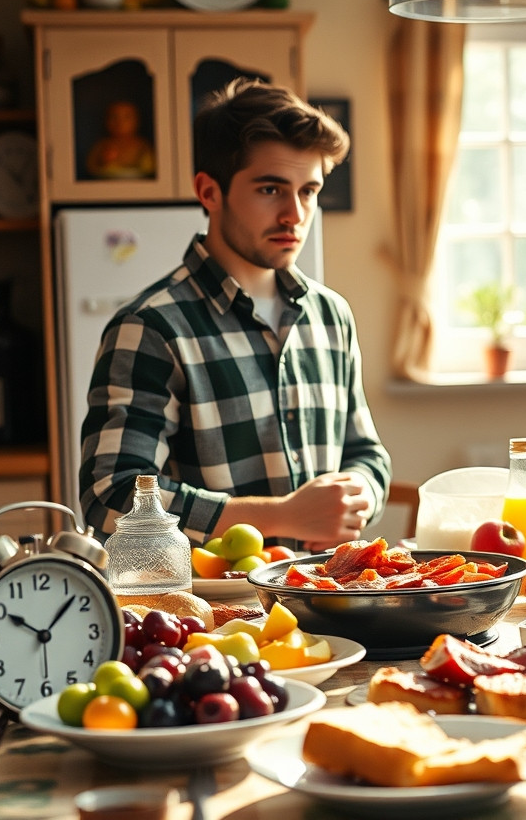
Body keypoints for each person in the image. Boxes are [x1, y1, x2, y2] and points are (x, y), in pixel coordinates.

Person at [80, 79, 391, 552]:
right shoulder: (150, 328)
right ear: (209, 191)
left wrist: (356, 497)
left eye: (309, 191)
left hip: (327, 597)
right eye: (271, 189)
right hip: (211, 614)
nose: (295, 213)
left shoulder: (331, 316)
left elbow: (365, 453)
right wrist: (282, 516)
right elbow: (112, 496)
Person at [85, 100, 157, 180]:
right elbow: (91, 167)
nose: (119, 123)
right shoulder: (102, 145)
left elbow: (150, 167)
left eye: (127, 117)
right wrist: (102, 161)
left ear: (137, 121)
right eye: (114, 117)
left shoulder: (142, 145)